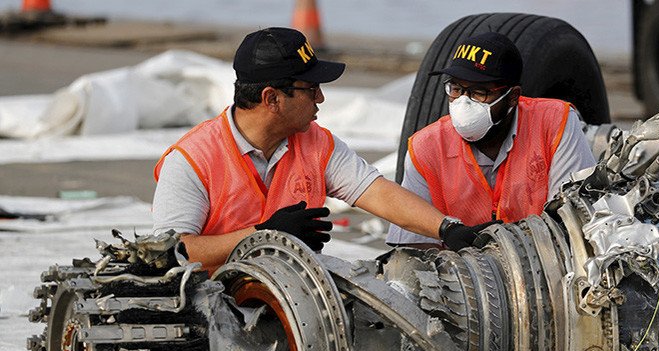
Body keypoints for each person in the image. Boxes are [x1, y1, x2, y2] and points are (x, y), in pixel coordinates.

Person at [152, 27, 496, 273]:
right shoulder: (191, 160)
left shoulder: (315, 141)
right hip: (213, 308)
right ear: (272, 98)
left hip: (289, 296)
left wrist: (448, 229)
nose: (321, 98)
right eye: (310, 88)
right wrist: (263, 235)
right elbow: (173, 252)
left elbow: (378, 193)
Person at [386, 32, 597, 246]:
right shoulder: (426, 147)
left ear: (513, 96)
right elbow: (412, 245)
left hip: (545, 261)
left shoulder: (554, 122)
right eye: (456, 89)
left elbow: (575, 217)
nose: (463, 103)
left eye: (479, 93)